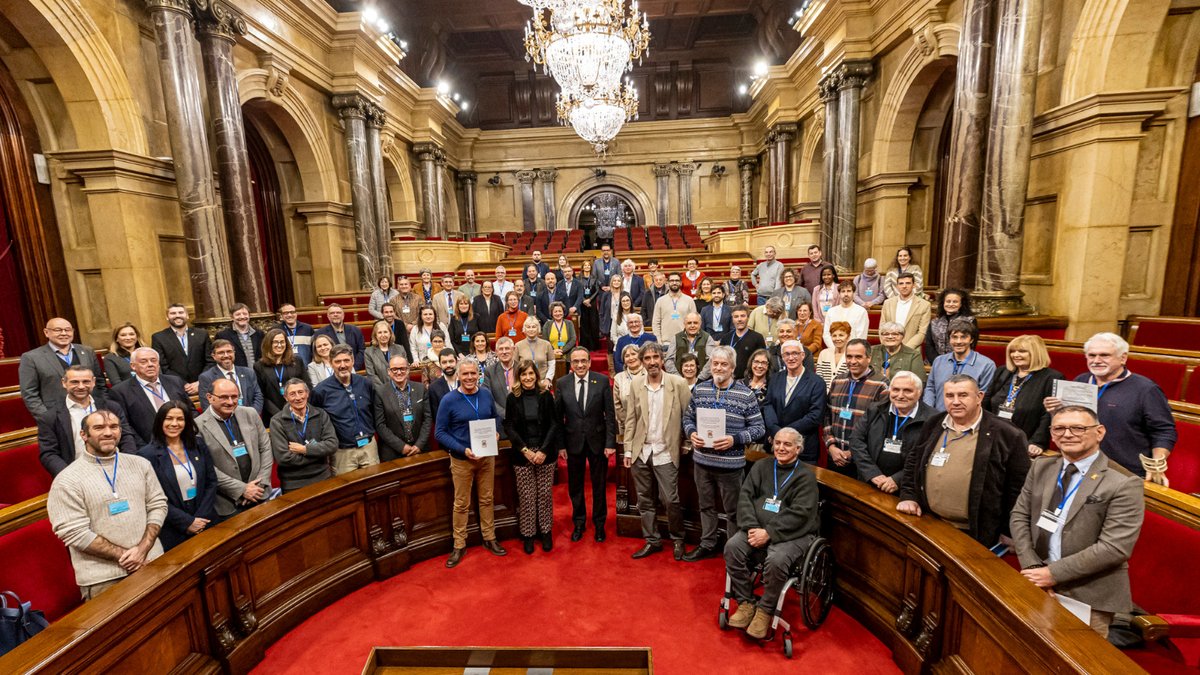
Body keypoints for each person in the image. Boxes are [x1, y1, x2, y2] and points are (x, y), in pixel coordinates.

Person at [1009, 406, 1144, 638]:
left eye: (1078, 428)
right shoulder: (1041, 466)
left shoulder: (1123, 482)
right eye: (1059, 428)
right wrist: (1033, 568)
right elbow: (1019, 516)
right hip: (1037, 581)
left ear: (1099, 432)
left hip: (1087, 594)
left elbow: (1114, 548)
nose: (1067, 434)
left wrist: (1052, 574)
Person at [897, 375, 1031, 547]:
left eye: (963, 395)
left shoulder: (1008, 434)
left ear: (979, 397)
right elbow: (913, 461)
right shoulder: (933, 423)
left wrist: (1010, 530)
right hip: (929, 522)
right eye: (949, 396)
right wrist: (908, 496)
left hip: (976, 533)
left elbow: (1019, 488)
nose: (956, 402)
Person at [47, 409, 167, 600]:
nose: (108, 432)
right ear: (83, 435)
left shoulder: (141, 464)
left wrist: (143, 548)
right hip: (105, 580)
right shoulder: (66, 480)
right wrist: (127, 556)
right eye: (99, 427)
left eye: (114, 426)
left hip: (153, 561)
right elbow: (74, 533)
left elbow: (157, 504)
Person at [722, 427, 819, 639]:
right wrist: (751, 527)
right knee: (732, 548)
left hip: (793, 534)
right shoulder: (761, 466)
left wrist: (769, 533)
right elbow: (745, 497)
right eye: (777, 443)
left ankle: (765, 610)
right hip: (756, 527)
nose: (781, 448)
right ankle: (746, 602)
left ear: (798, 449)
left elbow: (800, 514)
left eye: (787, 444)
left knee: (776, 560)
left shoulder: (805, 477)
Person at [1043, 333, 1177, 484]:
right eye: (1091, 355)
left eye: (1104, 355)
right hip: (1080, 465)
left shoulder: (1146, 389)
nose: (1096, 361)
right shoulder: (1081, 381)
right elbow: (1071, 422)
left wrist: (1156, 465)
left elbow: (1164, 431)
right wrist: (1056, 412)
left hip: (1123, 473)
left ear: (1123, 358)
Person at [681, 346, 765, 562]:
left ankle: (733, 552)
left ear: (733, 368)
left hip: (730, 466)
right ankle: (707, 543)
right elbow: (688, 418)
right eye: (715, 363)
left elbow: (759, 429)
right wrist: (692, 433)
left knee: (734, 512)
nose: (718, 368)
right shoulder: (700, 389)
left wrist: (734, 439)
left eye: (723, 364)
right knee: (705, 506)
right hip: (702, 462)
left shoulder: (746, 394)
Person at [435, 359, 508, 567]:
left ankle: (489, 537)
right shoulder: (448, 400)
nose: (469, 377)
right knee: (461, 504)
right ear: (458, 375)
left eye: (473, 373)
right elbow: (440, 432)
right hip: (462, 460)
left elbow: (494, 418)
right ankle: (459, 544)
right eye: (465, 374)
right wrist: (462, 449)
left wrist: (496, 433)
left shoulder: (485, 394)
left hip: (486, 457)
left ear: (479, 375)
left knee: (487, 499)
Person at [623, 342, 691, 561]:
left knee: (670, 499)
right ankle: (652, 540)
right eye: (647, 358)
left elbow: (689, 417)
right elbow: (630, 419)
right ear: (642, 362)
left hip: (666, 451)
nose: (652, 362)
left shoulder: (678, 383)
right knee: (644, 500)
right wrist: (627, 450)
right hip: (641, 451)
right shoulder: (636, 384)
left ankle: (678, 539)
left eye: (655, 357)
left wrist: (686, 444)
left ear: (662, 360)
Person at [136, 402, 218, 550]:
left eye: (180, 419)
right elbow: (152, 497)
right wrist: (187, 522)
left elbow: (211, 482)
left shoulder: (198, 444)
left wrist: (200, 518)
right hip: (174, 528)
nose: (174, 423)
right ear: (160, 421)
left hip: (205, 520)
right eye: (169, 418)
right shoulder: (147, 454)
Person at [555, 347, 617, 543]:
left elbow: (610, 415)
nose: (580, 365)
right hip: (572, 442)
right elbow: (558, 418)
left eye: (583, 361)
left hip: (597, 442)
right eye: (576, 361)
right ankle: (579, 522)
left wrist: (610, 442)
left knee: (599, 485)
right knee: (575, 486)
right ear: (571, 364)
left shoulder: (602, 381)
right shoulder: (562, 383)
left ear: (590, 362)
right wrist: (561, 445)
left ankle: (599, 524)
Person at [38, 365, 137, 476]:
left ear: (93, 382)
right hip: (76, 475)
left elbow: (126, 437)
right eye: (74, 382)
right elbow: (49, 454)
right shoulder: (50, 417)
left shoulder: (112, 407)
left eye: (86, 381)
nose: (81, 386)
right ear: (64, 383)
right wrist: (69, 476)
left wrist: (126, 465)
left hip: (116, 469)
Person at [504, 360, 561, 555]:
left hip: (545, 453)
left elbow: (554, 424)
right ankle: (528, 534)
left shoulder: (546, 395)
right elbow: (509, 426)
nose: (528, 378)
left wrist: (543, 450)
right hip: (523, 454)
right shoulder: (512, 398)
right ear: (518, 377)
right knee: (527, 497)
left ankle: (545, 532)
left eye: (531, 374)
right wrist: (525, 450)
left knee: (544, 495)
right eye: (523, 374)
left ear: (536, 375)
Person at [196, 378, 273, 519]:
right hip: (228, 503)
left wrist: (259, 485)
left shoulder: (250, 413)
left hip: (260, 493)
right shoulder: (198, 426)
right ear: (210, 397)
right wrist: (242, 490)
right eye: (224, 397)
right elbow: (207, 467)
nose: (230, 402)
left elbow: (266, 448)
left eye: (234, 396)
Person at [850, 371, 932, 494]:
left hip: (906, 490)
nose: (900, 395)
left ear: (919, 393)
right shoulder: (874, 409)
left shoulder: (932, 419)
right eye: (895, 390)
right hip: (870, 482)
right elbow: (856, 441)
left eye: (907, 391)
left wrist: (897, 480)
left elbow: (927, 458)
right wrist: (872, 473)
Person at [984, 335, 1064, 457]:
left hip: (1025, 442)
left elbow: (1048, 414)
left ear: (1036, 353)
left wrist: (1037, 442)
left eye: (1022, 351)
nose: (1015, 355)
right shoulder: (1003, 371)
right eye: (1012, 351)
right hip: (993, 436)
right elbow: (986, 402)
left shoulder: (1052, 377)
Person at [822, 339, 890, 477]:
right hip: (835, 456)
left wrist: (853, 452)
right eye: (849, 356)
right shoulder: (838, 381)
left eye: (858, 357)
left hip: (863, 460)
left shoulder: (881, 384)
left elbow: (880, 427)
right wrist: (831, 446)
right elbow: (826, 416)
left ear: (869, 358)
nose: (852, 361)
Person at [310, 344, 378, 475]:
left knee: (375, 484)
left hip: (369, 447)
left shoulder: (365, 383)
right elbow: (317, 423)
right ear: (331, 363)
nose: (343, 365)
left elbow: (374, 411)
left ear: (353, 361)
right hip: (342, 452)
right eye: (338, 361)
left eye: (346, 360)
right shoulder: (320, 391)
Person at [20, 317, 107, 420]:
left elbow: (100, 382)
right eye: (58, 330)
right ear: (46, 332)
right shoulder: (31, 357)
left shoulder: (87, 351)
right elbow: (29, 393)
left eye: (67, 330)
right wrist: (47, 417)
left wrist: (103, 407)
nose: (64, 333)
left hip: (92, 411)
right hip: (57, 415)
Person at [107, 347, 190, 446]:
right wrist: (145, 449)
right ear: (133, 366)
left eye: (153, 360)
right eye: (144, 362)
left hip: (184, 441)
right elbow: (125, 426)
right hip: (148, 446)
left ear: (158, 364)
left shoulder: (175, 381)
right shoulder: (120, 391)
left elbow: (190, 411)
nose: (150, 364)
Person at [763, 340, 827, 464]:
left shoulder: (817, 382)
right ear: (782, 357)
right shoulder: (775, 378)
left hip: (803, 446)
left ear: (802, 355)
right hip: (776, 444)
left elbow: (815, 416)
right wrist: (775, 429)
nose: (791, 358)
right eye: (786, 354)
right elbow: (768, 405)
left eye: (795, 353)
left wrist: (783, 433)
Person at [270, 378, 337, 492]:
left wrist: (305, 450)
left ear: (307, 393)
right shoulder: (277, 421)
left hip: (323, 477)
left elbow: (332, 445)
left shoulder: (321, 414)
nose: (298, 397)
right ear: (286, 397)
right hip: (294, 484)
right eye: (292, 394)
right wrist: (319, 454)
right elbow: (283, 458)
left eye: (301, 392)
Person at [924, 320, 996, 411]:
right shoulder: (939, 361)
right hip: (938, 415)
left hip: (968, 416)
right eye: (954, 337)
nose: (958, 341)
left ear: (971, 340)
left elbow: (983, 398)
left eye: (963, 337)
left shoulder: (986, 365)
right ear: (949, 339)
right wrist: (929, 411)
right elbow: (930, 388)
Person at [372, 355, 431, 461]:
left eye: (402, 368)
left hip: (420, 449)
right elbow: (380, 425)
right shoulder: (380, 392)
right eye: (394, 369)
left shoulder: (421, 388)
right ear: (389, 371)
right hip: (393, 452)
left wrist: (419, 445)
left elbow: (427, 419)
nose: (399, 372)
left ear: (408, 370)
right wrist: (401, 447)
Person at [151, 304, 213, 395]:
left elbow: (210, 361)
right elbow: (163, 366)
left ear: (187, 315)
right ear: (167, 317)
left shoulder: (202, 334)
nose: (177, 315)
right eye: (173, 313)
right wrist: (183, 384)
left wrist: (200, 382)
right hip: (176, 389)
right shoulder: (159, 338)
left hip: (204, 386)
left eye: (181, 312)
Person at [255, 328, 308, 421]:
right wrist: (279, 414)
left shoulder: (297, 361)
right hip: (273, 415)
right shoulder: (259, 366)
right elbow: (261, 394)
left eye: (282, 342)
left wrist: (295, 409)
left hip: (298, 411)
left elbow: (307, 385)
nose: (279, 345)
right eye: (275, 342)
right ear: (268, 344)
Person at [198, 339, 264, 414]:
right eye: (221, 353)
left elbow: (258, 396)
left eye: (229, 351)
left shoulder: (248, 372)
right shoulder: (206, 377)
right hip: (224, 418)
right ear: (214, 356)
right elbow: (207, 405)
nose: (226, 355)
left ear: (234, 353)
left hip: (250, 416)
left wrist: (252, 414)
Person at [880, 273, 931, 349]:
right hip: (889, 347)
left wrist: (904, 350)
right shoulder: (888, 303)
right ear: (897, 286)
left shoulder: (924, 305)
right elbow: (882, 327)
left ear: (914, 285)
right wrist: (887, 344)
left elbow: (922, 332)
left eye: (908, 283)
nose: (904, 286)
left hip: (911, 349)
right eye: (901, 283)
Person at [925, 289, 976, 360]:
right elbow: (929, 345)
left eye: (955, 302)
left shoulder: (970, 321)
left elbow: (972, 345)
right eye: (948, 301)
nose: (951, 304)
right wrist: (937, 362)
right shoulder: (934, 322)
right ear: (943, 303)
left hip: (960, 361)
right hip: (934, 362)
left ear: (961, 304)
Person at [664, 312, 716, 381]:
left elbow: (711, 361)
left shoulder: (707, 338)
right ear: (684, 324)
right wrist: (678, 378)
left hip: (702, 381)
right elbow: (668, 361)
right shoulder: (676, 338)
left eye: (695, 323)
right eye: (689, 323)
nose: (692, 325)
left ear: (700, 323)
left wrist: (700, 378)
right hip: (679, 381)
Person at [314, 303, 365, 370]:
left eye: (338, 312)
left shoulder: (355, 330)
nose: (335, 315)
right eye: (332, 313)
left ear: (343, 315)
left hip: (354, 368)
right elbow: (318, 354)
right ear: (328, 316)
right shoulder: (320, 333)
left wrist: (353, 367)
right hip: (332, 369)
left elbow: (362, 350)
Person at [721, 305, 766, 380]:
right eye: (736, 317)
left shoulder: (757, 337)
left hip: (749, 379)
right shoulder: (726, 338)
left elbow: (762, 360)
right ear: (732, 319)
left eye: (742, 316)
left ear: (748, 318)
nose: (739, 319)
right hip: (729, 379)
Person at [215, 303, 265, 367]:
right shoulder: (223, 335)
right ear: (232, 317)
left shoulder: (259, 334)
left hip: (258, 371)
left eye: (245, 314)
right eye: (238, 314)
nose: (242, 317)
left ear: (249, 316)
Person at [652, 272, 697, 343]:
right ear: (667, 283)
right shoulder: (660, 301)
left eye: (677, 280)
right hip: (666, 342)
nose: (674, 283)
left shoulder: (689, 300)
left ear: (681, 283)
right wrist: (659, 341)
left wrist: (691, 340)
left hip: (685, 342)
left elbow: (694, 322)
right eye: (672, 281)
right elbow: (656, 323)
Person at [823, 280, 869, 348]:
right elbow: (826, 334)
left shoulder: (861, 311)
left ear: (853, 293)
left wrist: (849, 351)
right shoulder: (831, 312)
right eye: (843, 291)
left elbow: (861, 336)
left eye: (849, 291)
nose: (846, 294)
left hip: (853, 351)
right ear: (839, 294)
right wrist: (836, 349)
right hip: (834, 350)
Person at [612, 344, 643, 442]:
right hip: (626, 426)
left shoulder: (649, 374)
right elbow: (617, 405)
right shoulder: (619, 378)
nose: (631, 358)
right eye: (627, 356)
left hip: (648, 425)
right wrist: (629, 422)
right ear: (624, 360)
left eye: (633, 354)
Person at [484, 337, 518, 422]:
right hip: (499, 419)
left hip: (521, 418)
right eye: (501, 349)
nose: (504, 352)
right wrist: (505, 414)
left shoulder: (522, 368)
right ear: (496, 352)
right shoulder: (489, 371)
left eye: (507, 348)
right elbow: (487, 397)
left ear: (513, 349)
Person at [516, 317, 555, 388]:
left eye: (533, 327)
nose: (531, 329)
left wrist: (548, 379)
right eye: (528, 327)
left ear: (538, 329)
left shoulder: (546, 344)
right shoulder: (518, 345)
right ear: (524, 329)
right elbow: (516, 367)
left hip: (543, 383)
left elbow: (552, 364)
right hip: (525, 383)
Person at [104, 323, 143, 388]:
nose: (128, 338)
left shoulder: (148, 353)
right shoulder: (110, 358)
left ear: (137, 336)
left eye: (131, 334)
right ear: (116, 339)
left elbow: (158, 375)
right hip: (128, 392)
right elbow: (116, 384)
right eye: (123, 335)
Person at [426, 348, 461, 421]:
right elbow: (436, 416)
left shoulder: (465, 382)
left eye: (451, 361)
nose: (448, 365)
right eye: (444, 362)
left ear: (457, 362)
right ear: (440, 364)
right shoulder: (433, 388)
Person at [815, 322, 851, 392]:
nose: (837, 338)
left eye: (841, 335)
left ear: (848, 337)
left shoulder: (852, 355)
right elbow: (819, 377)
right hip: (823, 394)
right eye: (834, 336)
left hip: (844, 393)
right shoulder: (824, 353)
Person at [363, 320, 400, 386]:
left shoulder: (400, 349)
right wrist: (384, 389)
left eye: (385, 332)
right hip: (380, 389)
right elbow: (371, 375)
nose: (383, 335)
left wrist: (397, 387)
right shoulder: (369, 352)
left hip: (399, 387)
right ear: (375, 335)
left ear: (390, 334)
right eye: (380, 332)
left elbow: (405, 371)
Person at [579, 259, 602, 351]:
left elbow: (597, 290)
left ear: (591, 267)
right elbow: (578, 291)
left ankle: (594, 346)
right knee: (584, 325)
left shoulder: (594, 278)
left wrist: (589, 300)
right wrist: (584, 300)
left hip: (592, 303)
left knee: (593, 324)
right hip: (582, 304)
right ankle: (585, 345)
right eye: (585, 265)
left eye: (588, 265)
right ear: (582, 267)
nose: (587, 267)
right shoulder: (579, 278)